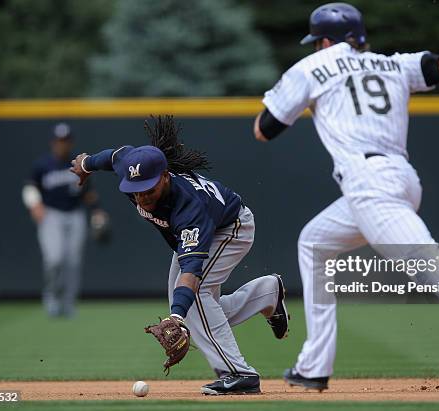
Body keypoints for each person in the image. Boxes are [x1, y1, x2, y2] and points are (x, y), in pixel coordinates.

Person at [253, 2, 439, 391]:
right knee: (314, 243)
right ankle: (313, 366)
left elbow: (264, 129)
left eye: (317, 41)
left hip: (369, 183)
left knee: (426, 261)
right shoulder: (393, 64)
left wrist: (306, 95)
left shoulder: (313, 67)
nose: (316, 47)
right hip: (400, 179)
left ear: (326, 41)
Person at [69, 115, 289, 395]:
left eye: (148, 189)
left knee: (193, 298)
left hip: (231, 229)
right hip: (208, 228)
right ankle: (267, 293)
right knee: (192, 308)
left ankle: (239, 373)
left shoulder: (188, 208)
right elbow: (113, 157)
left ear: (164, 176)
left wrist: (177, 318)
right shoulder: (131, 166)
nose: (142, 197)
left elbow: (191, 271)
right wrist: (86, 164)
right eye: (135, 191)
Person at [22, 123, 107, 318]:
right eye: (60, 141)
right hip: (51, 215)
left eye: (66, 141)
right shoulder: (43, 165)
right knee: (54, 259)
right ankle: (51, 298)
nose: (63, 145)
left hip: (75, 214)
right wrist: (34, 204)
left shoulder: (77, 164)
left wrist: (97, 211)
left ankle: (68, 303)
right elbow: (30, 186)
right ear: (53, 143)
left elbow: (88, 192)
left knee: (73, 262)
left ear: (70, 142)